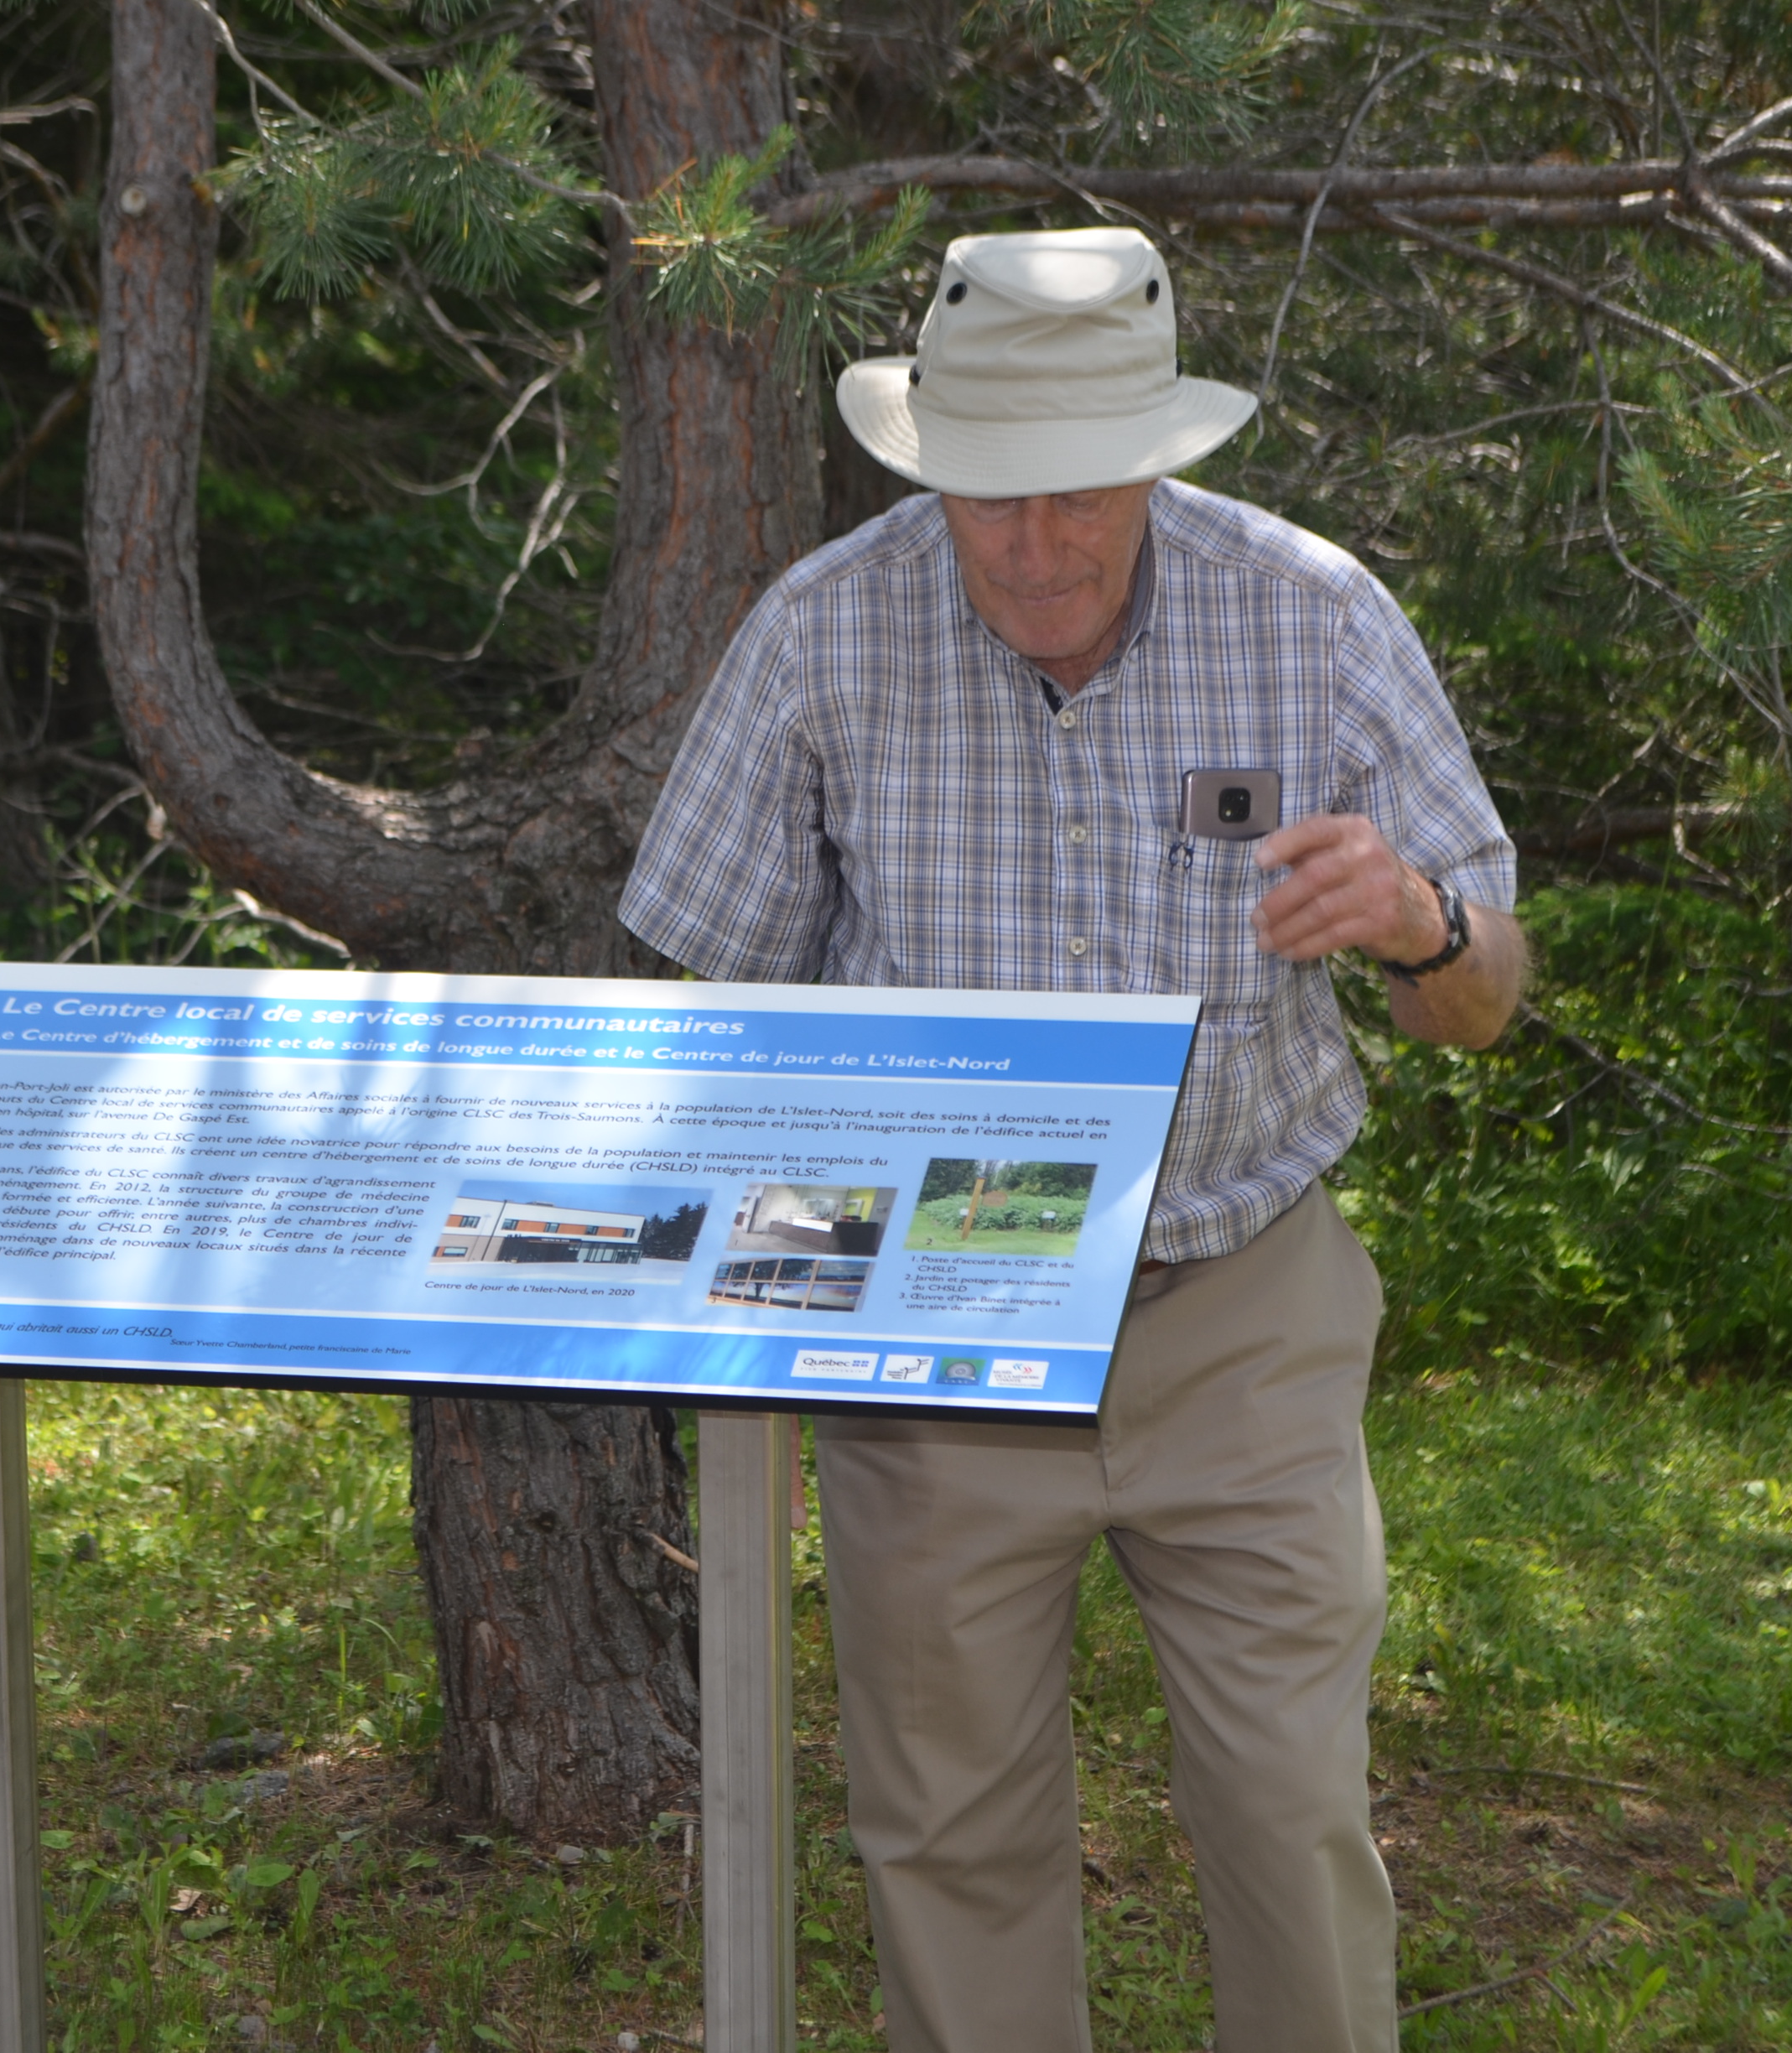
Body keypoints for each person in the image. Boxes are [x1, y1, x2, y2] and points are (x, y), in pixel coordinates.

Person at [621, 228, 1525, 2051]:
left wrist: (1419, 921)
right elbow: (720, 1032)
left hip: (1242, 1312)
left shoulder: (1315, 616)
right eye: (988, 497)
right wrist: (769, 1359)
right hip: (932, 1328)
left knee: (1291, 1812)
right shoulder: (821, 629)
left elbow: (1487, 994)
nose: (1033, 545)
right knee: (946, 1832)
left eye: (1077, 496)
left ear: (1156, 462)